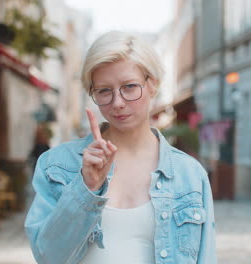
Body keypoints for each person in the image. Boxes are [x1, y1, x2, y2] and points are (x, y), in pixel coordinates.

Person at [25, 31, 216, 264]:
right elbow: (47, 257)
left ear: (152, 84)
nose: (117, 102)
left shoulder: (189, 174)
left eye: (129, 87)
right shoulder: (56, 165)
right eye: (104, 91)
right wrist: (86, 188)